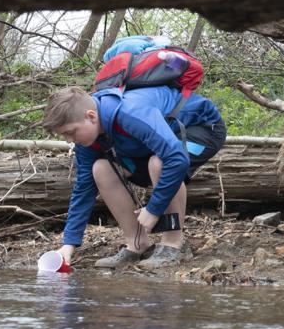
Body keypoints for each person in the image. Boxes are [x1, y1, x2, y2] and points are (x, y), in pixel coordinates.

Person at [43, 85, 227, 268]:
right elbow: (84, 188)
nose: (69, 140)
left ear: (91, 116)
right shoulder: (88, 140)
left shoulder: (130, 113)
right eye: (64, 135)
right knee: (101, 168)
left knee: (160, 163)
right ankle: (137, 244)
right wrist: (68, 244)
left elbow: (177, 160)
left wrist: (153, 210)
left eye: (70, 132)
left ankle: (173, 244)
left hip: (203, 127)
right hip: (157, 141)